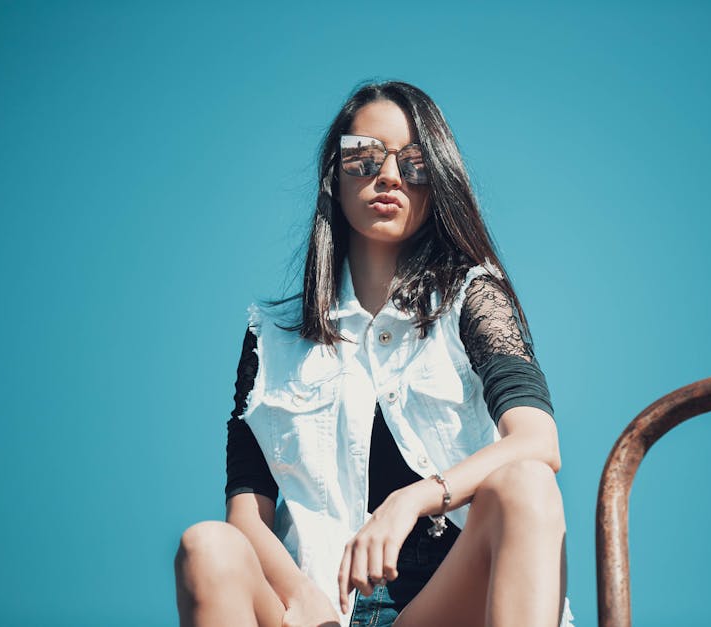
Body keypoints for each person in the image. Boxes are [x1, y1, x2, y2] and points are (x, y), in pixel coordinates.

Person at [174, 81, 573, 627]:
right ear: (334, 176)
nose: (389, 176)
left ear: (438, 184)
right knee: (206, 545)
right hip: (321, 606)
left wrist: (411, 500)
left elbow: (537, 442)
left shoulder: (473, 297)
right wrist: (300, 597)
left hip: (450, 601)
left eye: (415, 165)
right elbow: (247, 515)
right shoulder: (271, 339)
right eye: (364, 156)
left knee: (527, 483)